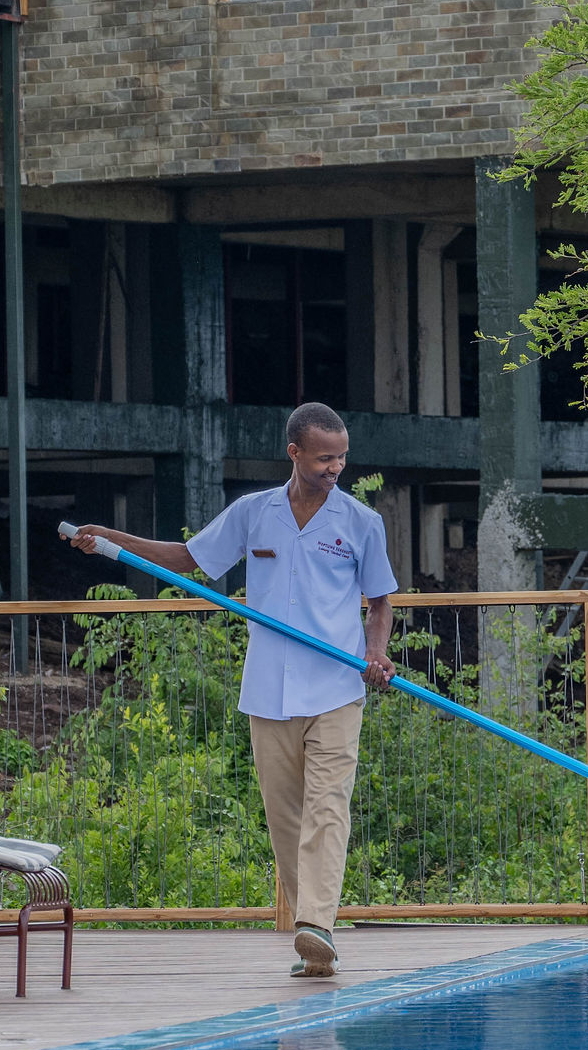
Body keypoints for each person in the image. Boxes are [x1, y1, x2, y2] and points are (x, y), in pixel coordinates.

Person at [69, 402, 394, 978]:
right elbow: (190, 558)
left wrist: (375, 653)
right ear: (294, 453)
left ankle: (317, 924)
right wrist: (110, 539)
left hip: (337, 686)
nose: (334, 468)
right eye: (324, 458)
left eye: (341, 458)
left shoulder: (361, 521)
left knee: (328, 807)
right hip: (269, 687)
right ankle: (311, 935)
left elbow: (380, 601)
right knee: (285, 818)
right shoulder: (254, 513)